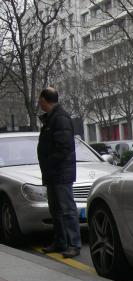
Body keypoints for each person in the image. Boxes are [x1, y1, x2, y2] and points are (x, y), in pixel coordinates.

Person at [37, 87, 81, 258]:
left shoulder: (60, 118)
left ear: (44, 100)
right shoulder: (51, 118)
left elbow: (64, 148)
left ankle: (74, 244)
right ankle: (60, 241)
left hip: (61, 173)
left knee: (67, 209)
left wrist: (49, 162)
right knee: (56, 210)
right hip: (53, 173)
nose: (38, 103)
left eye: (39, 100)